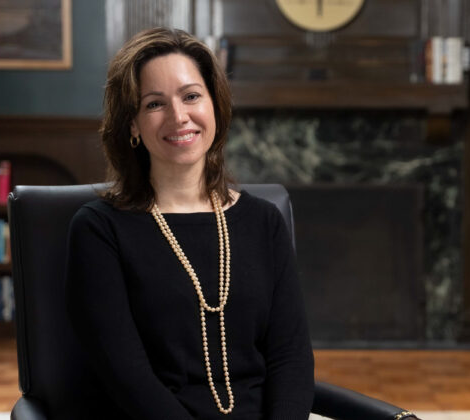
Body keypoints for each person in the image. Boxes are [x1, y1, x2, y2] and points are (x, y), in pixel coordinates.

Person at [65, 27, 315, 419]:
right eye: (154, 104)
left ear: (215, 105)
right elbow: (127, 379)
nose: (179, 116)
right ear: (132, 124)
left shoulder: (263, 222)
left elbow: (291, 356)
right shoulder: (99, 230)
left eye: (192, 96)